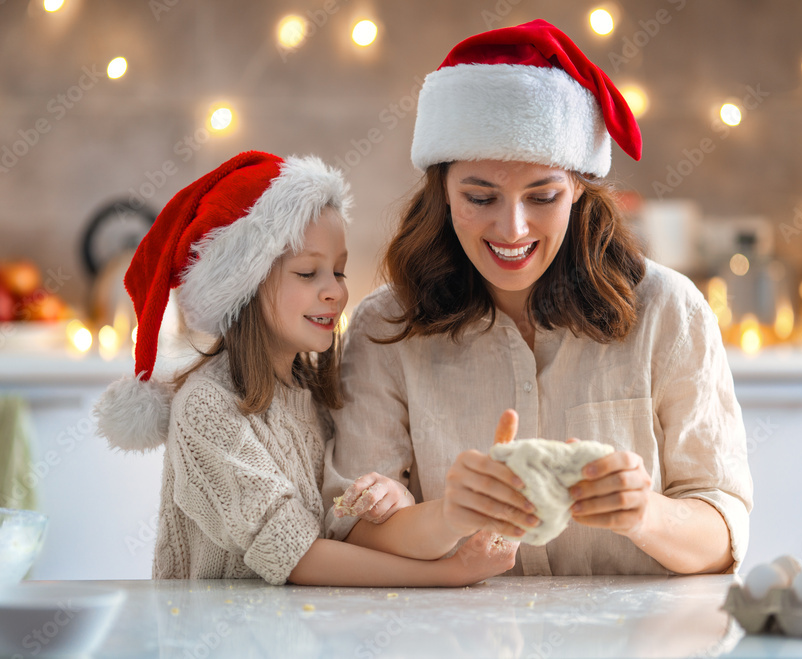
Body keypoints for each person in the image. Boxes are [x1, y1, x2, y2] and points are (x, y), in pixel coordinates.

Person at [323, 20, 754, 577]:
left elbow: (723, 533)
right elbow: (353, 529)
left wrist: (644, 513)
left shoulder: (670, 311)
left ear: (578, 185)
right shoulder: (387, 326)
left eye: (542, 195)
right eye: (480, 196)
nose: (512, 228)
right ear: (443, 190)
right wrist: (451, 516)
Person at [94, 151, 517, 586]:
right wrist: (450, 572)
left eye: (338, 271)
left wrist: (390, 498)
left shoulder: (313, 393)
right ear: (246, 284)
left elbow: (340, 528)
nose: (334, 291)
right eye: (308, 273)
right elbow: (298, 557)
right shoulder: (206, 407)